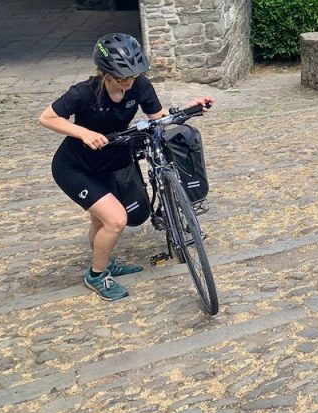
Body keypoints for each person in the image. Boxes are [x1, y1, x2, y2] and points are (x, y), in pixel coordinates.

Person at [39, 33, 213, 301]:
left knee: (101, 219)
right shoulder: (84, 92)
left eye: (133, 75)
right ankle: (96, 276)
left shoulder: (139, 85)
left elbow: (157, 115)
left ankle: (104, 260)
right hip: (75, 167)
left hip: (109, 163)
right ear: (105, 73)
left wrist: (186, 108)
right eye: (121, 77)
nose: (128, 82)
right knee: (116, 219)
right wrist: (83, 133)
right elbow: (47, 118)